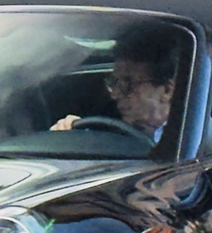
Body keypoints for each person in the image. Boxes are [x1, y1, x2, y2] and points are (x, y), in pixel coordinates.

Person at [53, 20, 184, 145]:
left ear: (167, 90)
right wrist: (68, 135)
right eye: (114, 82)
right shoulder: (111, 126)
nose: (114, 95)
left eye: (128, 84)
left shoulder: (186, 137)